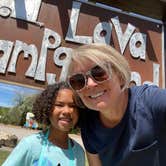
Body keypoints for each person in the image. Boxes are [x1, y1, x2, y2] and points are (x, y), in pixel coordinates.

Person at [67, 43, 166, 166]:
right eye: (78, 81)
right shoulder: (89, 125)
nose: (90, 84)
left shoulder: (150, 101)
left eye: (99, 72)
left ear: (120, 75)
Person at [3, 82, 85, 166]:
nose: (67, 111)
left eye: (72, 106)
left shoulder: (79, 152)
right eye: (59, 105)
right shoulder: (30, 145)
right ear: (47, 109)